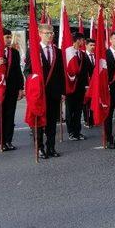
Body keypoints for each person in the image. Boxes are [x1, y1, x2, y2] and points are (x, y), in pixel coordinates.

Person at [24, 23, 65, 158]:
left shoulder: (57, 51)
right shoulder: (34, 51)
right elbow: (27, 71)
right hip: (39, 92)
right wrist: (34, 80)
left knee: (52, 122)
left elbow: (60, 73)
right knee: (39, 122)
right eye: (47, 33)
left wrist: (62, 91)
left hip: (54, 92)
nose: (50, 36)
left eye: (52, 33)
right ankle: (39, 147)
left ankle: (51, 147)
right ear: (40, 34)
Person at [65, 32, 90, 140]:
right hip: (70, 86)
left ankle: (77, 131)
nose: (84, 42)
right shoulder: (67, 53)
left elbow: (88, 70)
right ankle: (71, 132)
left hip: (80, 87)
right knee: (70, 111)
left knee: (79, 110)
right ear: (78, 40)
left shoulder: (83, 54)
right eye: (83, 40)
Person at [83, 38, 96, 127]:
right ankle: (87, 120)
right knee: (86, 102)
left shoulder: (96, 56)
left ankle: (93, 119)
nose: (92, 47)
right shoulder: (83, 56)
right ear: (86, 45)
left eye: (94, 45)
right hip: (87, 83)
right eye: (91, 45)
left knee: (93, 101)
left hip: (95, 83)